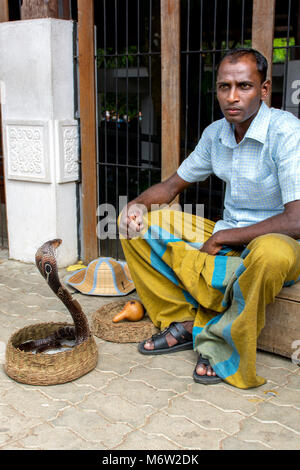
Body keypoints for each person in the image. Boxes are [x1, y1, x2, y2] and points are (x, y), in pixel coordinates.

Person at [119, 48, 300, 389]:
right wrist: (138, 204)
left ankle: (220, 345)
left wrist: (220, 239)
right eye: (224, 87)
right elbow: (173, 185)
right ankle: (184, 321)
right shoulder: (216, 133)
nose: (232, 97)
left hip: (282, 242)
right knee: (138, 227)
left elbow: (296, 220)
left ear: (264, 90)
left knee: (270, 254)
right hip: (230, 231)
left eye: (244, 86)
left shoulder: (286, 132)